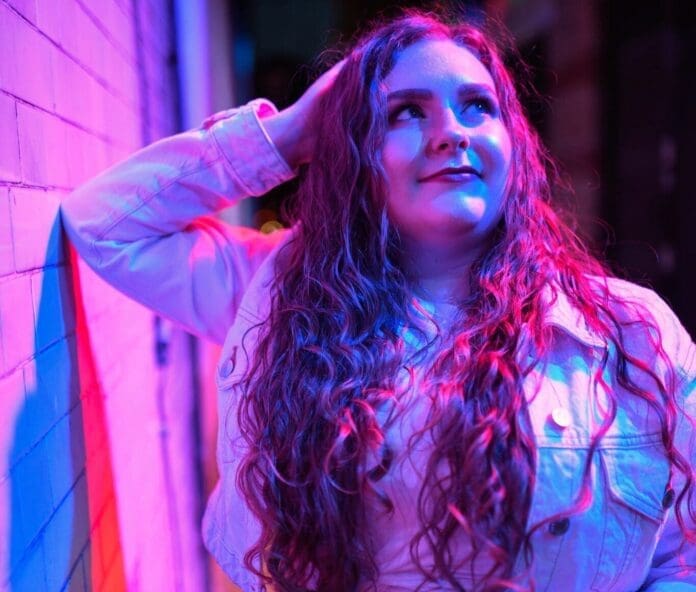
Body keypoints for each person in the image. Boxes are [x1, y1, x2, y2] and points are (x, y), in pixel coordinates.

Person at [61, 8, 695, 592]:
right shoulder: (285, 300)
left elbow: (681, 554)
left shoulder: (632, 333)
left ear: (516, 146)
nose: (451, 133)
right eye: (405, 112)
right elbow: (106, 225)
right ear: (354, 153)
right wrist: (286, 135)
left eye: (478, 106)